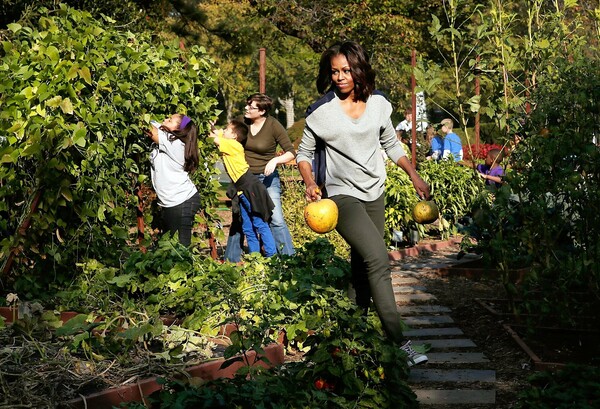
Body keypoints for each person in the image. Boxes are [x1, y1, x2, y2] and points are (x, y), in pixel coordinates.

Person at [296, 41, 430, 366]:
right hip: (341, 196)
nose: (340, 77)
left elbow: (391, 144)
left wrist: (413, 174)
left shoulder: (379, 103)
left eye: (345, 70)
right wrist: (311, 182)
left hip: (375, 192)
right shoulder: (320, 112)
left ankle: (351, 335)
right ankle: (402, 342)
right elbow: (303, 154)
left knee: (362, 269)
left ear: (358, 69)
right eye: (334, 72)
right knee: (378, 260)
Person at [224, 93, 296, 262]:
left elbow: (291, 152)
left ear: (262, 111)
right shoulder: (242, 122)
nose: (247, 108)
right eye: (247, 104)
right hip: (246, 180)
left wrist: (275, 160)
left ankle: (289, 261)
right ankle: (232, 260)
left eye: (251, 106)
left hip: (267, 179)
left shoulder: (273, 125)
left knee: (275, 218)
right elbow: (227, 137)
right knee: (240, 219)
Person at [210, 120, 277, 257]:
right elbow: (216, 132)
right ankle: (255, 258)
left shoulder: (233, 145)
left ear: (234, 135)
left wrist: (188, 121)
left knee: (259, 223)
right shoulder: (229, 141)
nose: (224, 130)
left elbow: (212, 137)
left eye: (227, 130)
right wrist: (210, 124)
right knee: (248, 227)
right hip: (241, 189)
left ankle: (272, 257)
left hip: (248, 186)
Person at [147, 114, 200, 246]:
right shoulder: (170, 139)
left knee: (180, 248)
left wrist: (138, 114)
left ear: (179, 129)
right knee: (171, 247)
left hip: (182, 201)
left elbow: (148, 128)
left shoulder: (175, 143)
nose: (164, 120)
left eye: (170, 120)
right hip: (173, 202)